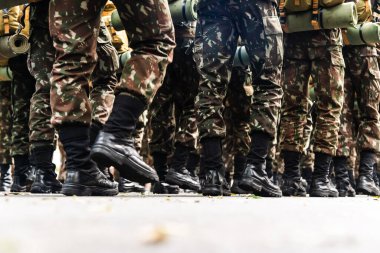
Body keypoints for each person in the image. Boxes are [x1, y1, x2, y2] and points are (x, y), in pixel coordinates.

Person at [193, 0, 284, 196]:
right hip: (256, 6)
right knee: (268, 82)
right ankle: (256, 168)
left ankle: (212, 172)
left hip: (213, 5)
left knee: (210, 84)